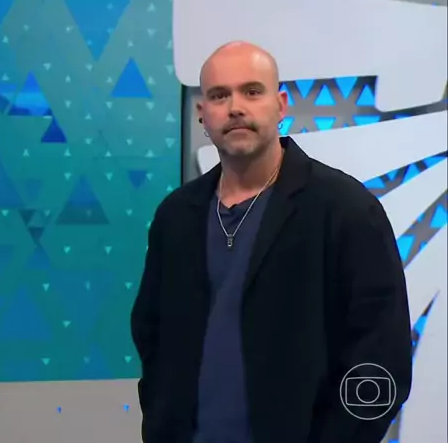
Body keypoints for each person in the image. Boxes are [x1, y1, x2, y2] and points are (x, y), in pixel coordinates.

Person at [130, 41, 412, 443]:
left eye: (252, 91)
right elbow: (152, 335)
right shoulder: (176, 217)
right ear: (202, 115)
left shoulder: (345, 209)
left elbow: (382, 356)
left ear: (280, 106)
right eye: (219, 95)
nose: (235, 107)